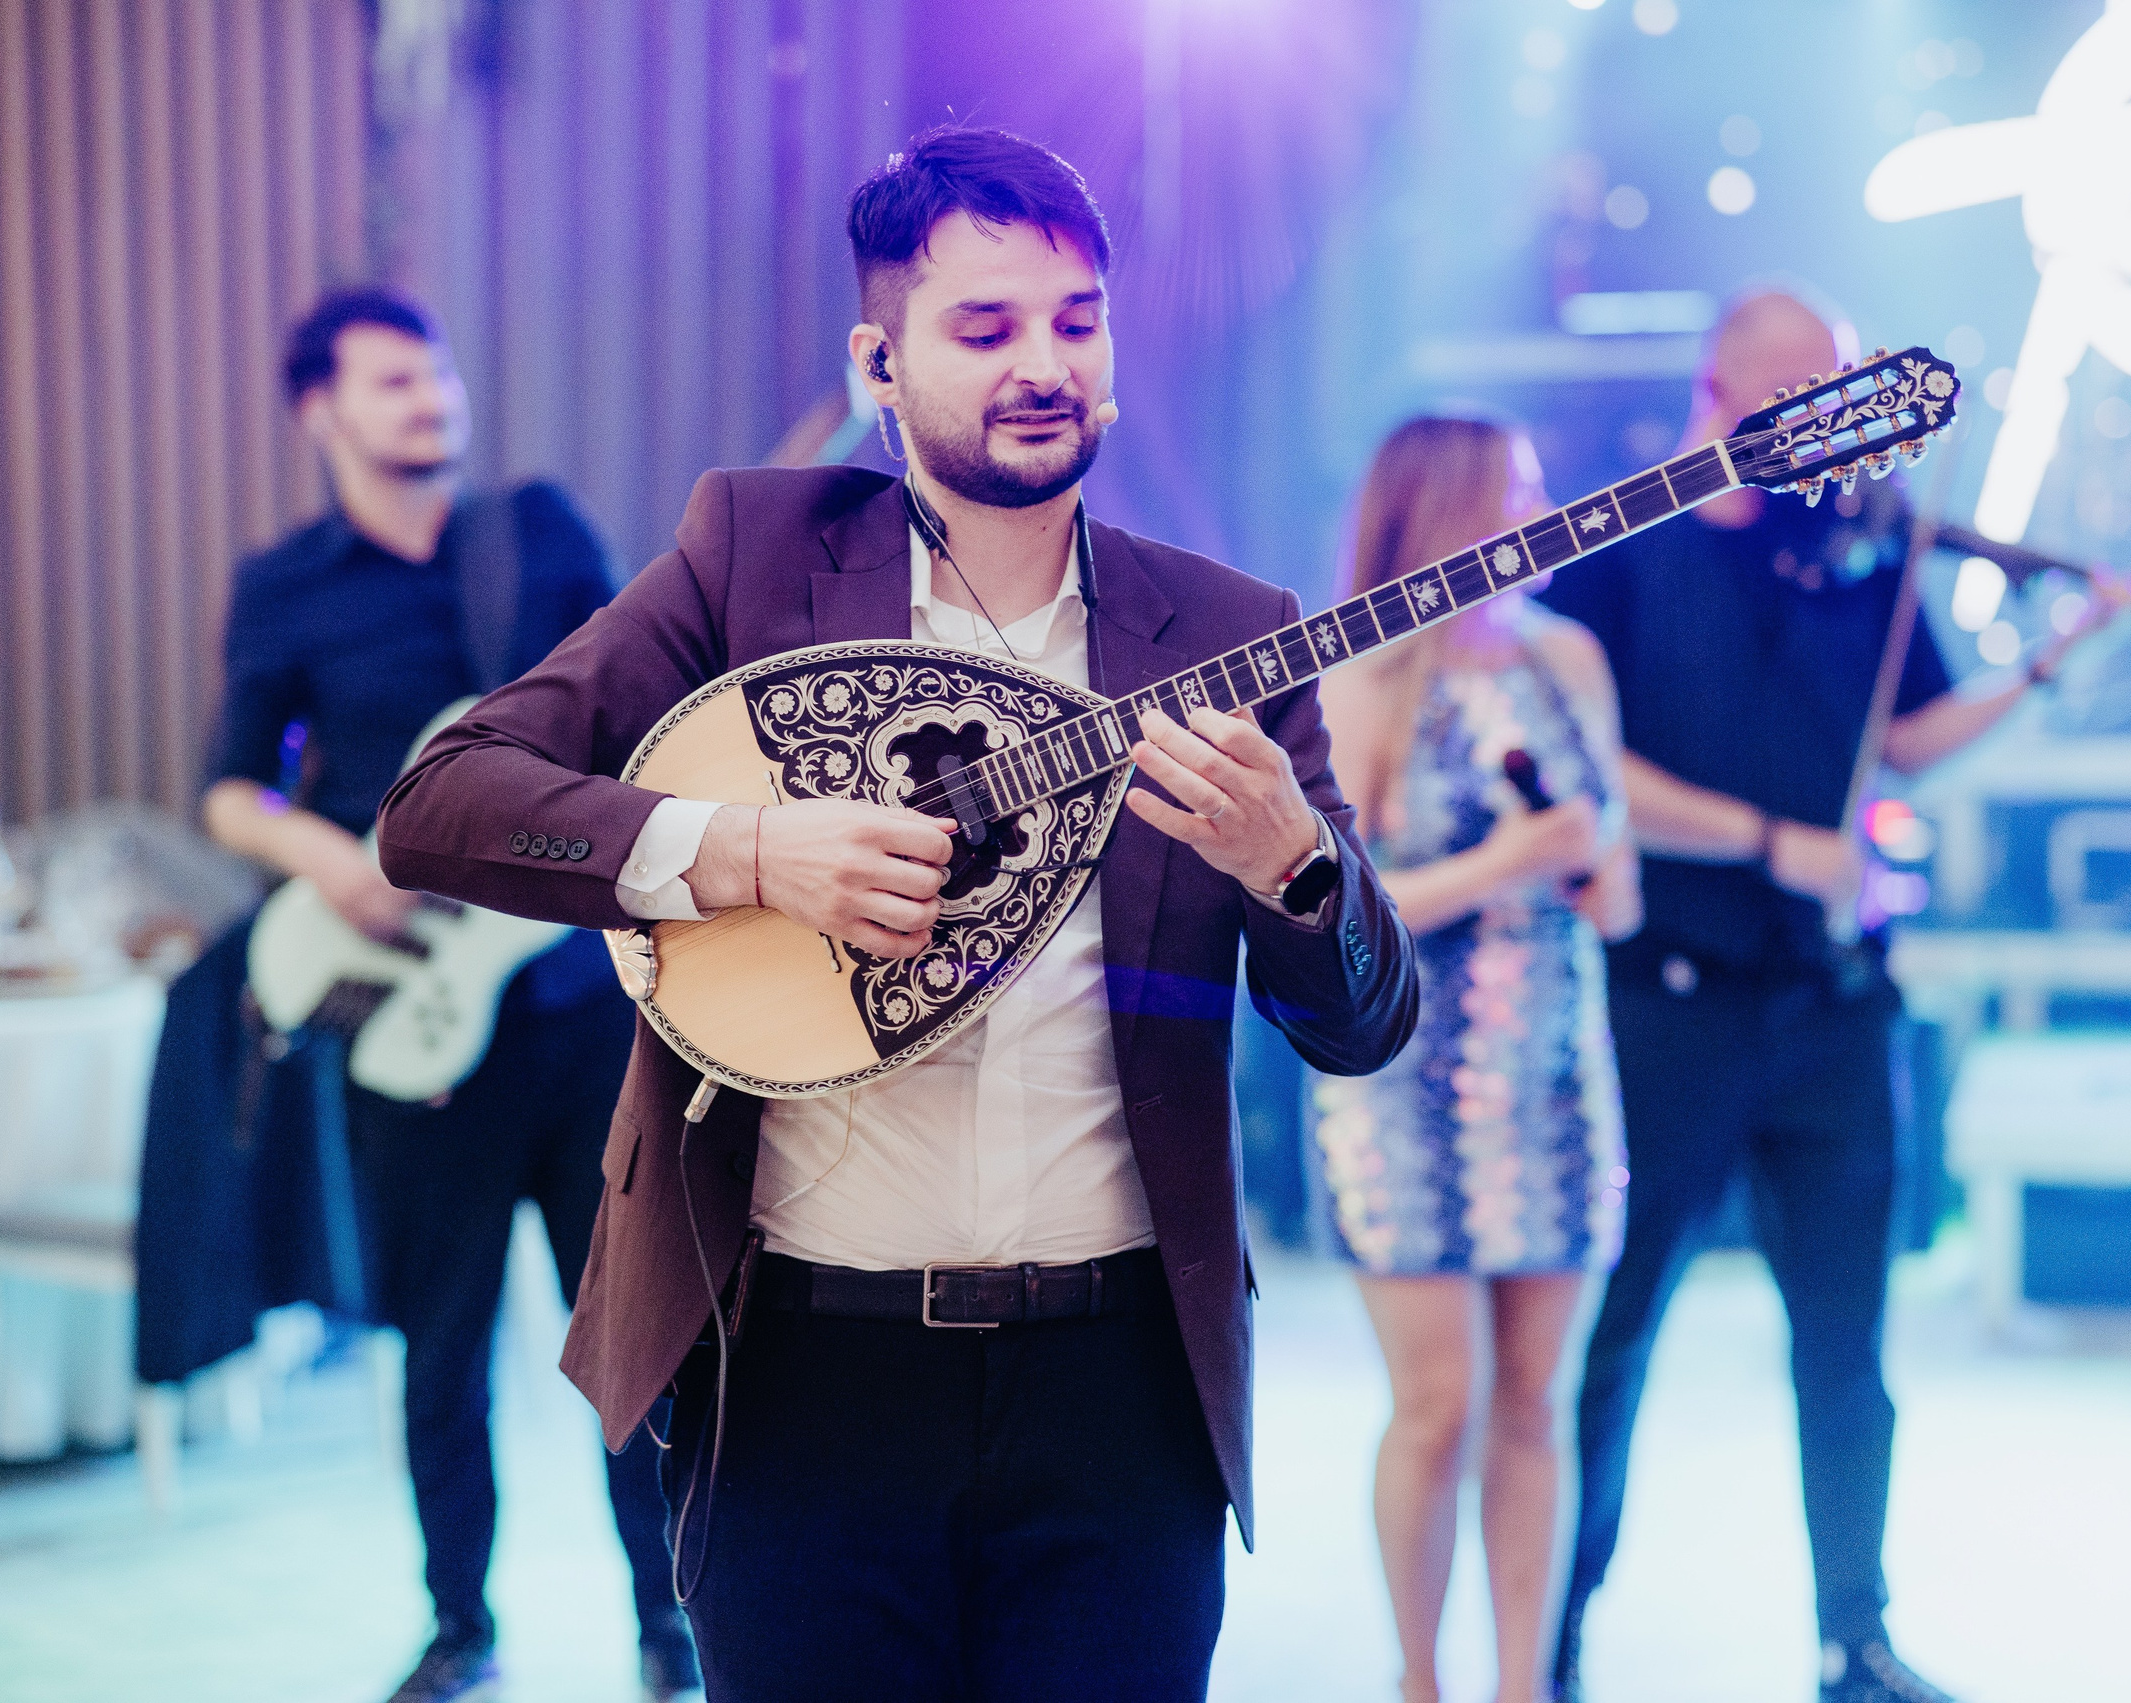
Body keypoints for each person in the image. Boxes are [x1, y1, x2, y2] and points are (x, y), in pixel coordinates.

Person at [373, 126, 1420, 1702]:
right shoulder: (754, 561)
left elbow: (1364, 1023)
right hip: (803, 1375)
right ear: (882, 358)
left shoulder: (1223, 631)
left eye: (1076, 318)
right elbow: (444, 800)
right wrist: (742, 852)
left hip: (1120, 1388)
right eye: (984, 328)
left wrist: (1298, 868)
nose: (1042, 362)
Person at [1537, 288, 2118, 1703]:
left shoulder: (1864, 553)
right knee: (1609, 1341)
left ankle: (1854, 1638)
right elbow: (1585, 766)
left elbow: (1910, 737)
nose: (1828, 416)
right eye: (1799, 389)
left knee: (1849, 1346)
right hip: (1659, 1000)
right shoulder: (1619, 554)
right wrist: (1766, 837)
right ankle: (1546, 1640)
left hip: (1831, 1004)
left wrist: (2047, 658)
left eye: (1841, 389)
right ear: (1717, 388)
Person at [202, 289, 697, 1703]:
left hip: (578, 996)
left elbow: (650, 708)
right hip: (418, 1011)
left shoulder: (535, 533)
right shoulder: (285, 582)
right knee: (440, 1342)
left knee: (637, 1337)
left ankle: (669, 1627)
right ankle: (459, 1622)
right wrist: (328, 860)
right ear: (324, 410)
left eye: (440, 372)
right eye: (395, 379)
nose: (432, 396)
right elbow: (230, 783)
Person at [1307, 416, 1639, 1703]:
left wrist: (1594, 864)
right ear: (1438, 514)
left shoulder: (1571, 661)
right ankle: (1418, 1680)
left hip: (1556, 1069)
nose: (1543, 514)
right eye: (1517, 493)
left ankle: (1523, 1683)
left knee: (1536, 1404)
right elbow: (1343, 904)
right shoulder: (1359, 674)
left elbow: (1615, 892)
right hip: (1400, 1083)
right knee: (1438, 1404)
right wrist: (1510, 859)